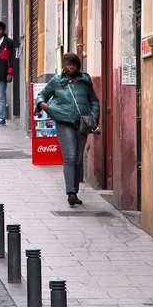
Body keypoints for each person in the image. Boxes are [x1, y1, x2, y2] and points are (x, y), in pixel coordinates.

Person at [34, 53, 101, 206]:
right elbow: (41, 96)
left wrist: (94, 116)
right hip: (64, 122)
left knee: (77, 158)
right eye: (68, 64)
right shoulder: (57, 81)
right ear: (63, 65)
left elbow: (94, 100)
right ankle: (70, 193)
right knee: (70, 157)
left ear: (78, 65)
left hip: (82, 123)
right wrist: (44, 106)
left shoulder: (85, 80)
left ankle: (75, 192)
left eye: (74, 64)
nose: (71, 67)